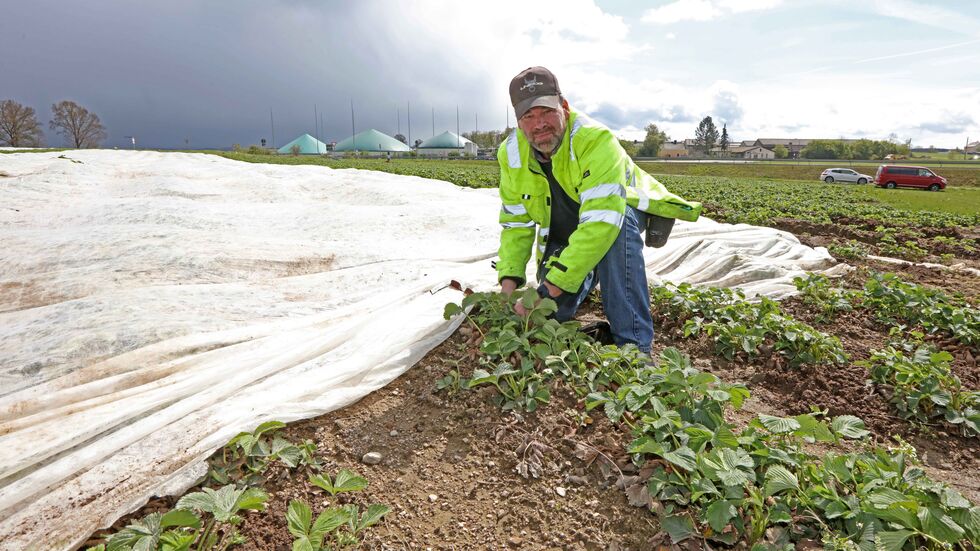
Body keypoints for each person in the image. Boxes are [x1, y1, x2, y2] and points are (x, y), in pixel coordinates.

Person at [495, 66, 702, 354]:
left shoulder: (595, 140)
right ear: (518, 122)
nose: (538, 124)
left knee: (616, 232)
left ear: (564, 107)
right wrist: (508, 284)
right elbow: (515, 224)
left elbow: (602, 221)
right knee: (553, 313)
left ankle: (633, 345)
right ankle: (589, 274)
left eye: (546, 112)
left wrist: (548, 289)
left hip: (620, 210)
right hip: (568, 222)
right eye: (528, 116)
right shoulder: (511, 154)